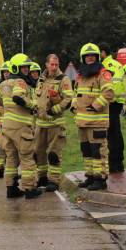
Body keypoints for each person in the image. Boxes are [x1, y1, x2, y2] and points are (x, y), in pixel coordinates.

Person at [72, 43, 114, 191]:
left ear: (97, 57)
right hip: (82, 122)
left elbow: (108, 93)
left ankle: (100, 179)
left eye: (92, 56)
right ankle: (90, 176)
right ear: (83, 58)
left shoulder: (103, 73)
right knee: (86, 151)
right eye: (87, 56)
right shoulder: (80, 75)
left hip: (97, 122)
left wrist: (94, 106)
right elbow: (76, 93)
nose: (90, 58)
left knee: (98, 151)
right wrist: (73, 105)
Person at [0, 53, 42, 199]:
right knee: (27, 157)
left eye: (27, 67)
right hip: (21, 126)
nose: (27, 70)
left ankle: (11, 189)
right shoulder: (20, 82)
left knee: (11, 158)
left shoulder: (4, 84)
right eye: (24, 67)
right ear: (16, 68)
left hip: (7, 127)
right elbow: (18, 97)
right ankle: (30, 189)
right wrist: (33, 105)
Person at [33, 54, 74, 192]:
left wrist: (56, 108)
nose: (54, 67)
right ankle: (42, 177)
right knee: (39, 152)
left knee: (54, 153)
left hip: (56, 123)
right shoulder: (41, 78)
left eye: (56, 64)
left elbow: (68, 98)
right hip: (41, 124)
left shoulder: (63, 79)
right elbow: (36, 97)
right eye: (52, 64)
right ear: (46, 65)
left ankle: (54, 181)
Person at [100, 44, 126, 173]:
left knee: (110, 135)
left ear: (103, 53)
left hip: (110, 103)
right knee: (117, 133)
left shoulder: (105, 66)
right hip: (119, 102)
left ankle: (113, 164)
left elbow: (111, 85)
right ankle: (119, 163)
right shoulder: (118, 64)